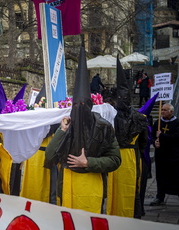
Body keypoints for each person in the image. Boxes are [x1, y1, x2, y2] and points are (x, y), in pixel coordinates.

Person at [44, 45, 121, 214]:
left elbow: (115, 160)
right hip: (68, 186)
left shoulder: (103, 127)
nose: (79, 108)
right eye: (76, 105)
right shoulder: (67, 128)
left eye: (83, 105)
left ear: (91, 106)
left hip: (93, 184)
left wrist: (88, 162)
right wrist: (62, 131)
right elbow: (49, 158)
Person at [106, 57, 148, 218]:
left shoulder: (136, 118)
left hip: (126, 155)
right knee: (119, 188)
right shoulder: (136, 117)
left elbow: (143, 140)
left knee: (128, 188)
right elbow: (144, 141)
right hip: (126, 155)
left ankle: (130, 216)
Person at [150, 103, 179, 209]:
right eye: (162, 109)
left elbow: (177, 137)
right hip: (161, 154)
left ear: (171, 112)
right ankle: (160, 196)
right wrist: (155, 142)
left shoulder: (177, 122)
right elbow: (153, 135)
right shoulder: (158, 122)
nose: (162, 111)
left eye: (165, 110)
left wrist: (162, 136)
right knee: (160, 175)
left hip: (172, 154)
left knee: (176, 175)